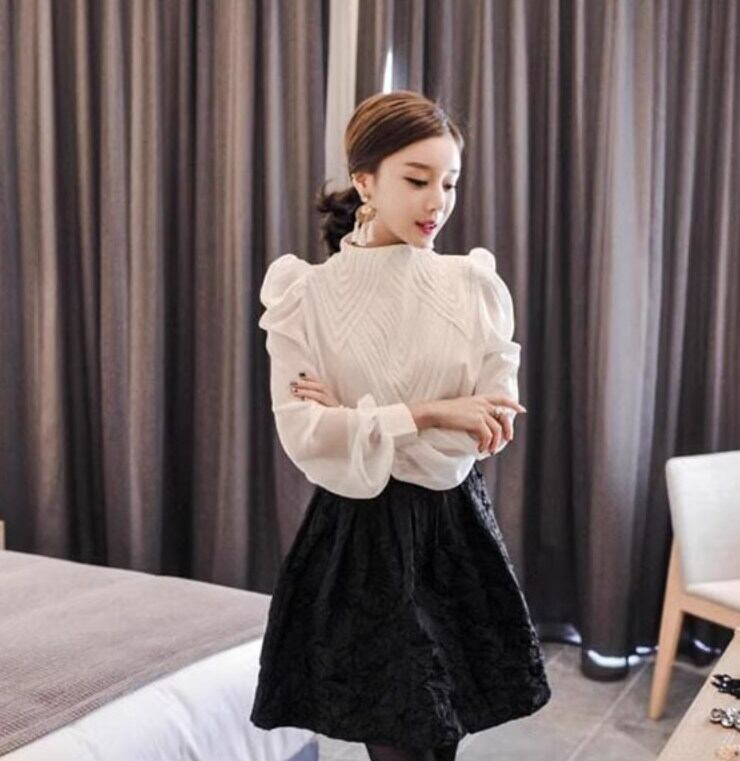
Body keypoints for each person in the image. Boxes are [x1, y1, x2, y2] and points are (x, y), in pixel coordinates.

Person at [249, 90, 551, 761]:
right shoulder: (304, 296)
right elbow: (304, 435)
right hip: (360, 540)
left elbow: (483, 431)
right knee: (399, 743)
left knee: (437, 743)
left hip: (453, 530)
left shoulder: (472, 286)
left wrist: (358, 418)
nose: (436, 202)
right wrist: (431, 410)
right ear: (365, 180)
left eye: (449, 182)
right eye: (417, 180)